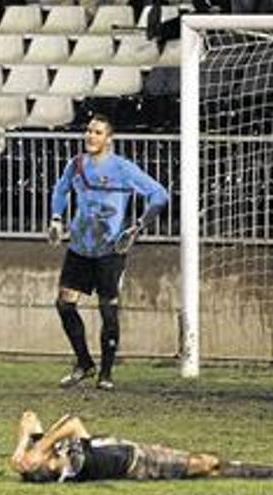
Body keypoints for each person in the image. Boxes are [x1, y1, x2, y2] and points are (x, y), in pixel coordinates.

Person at [47, 114, 169, 391]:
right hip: (79, 246)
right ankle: (84, 363)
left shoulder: (123, 169)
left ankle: (106, 373)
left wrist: (137, 227)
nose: (91, 136)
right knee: (64, 305)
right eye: (89, 131)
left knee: (108, 310)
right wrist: (56, 218)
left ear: (109, 139)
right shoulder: (76, 165)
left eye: (98, 132)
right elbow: (61, 189)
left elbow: (160, 195)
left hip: (110, 248)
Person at [10, 410, 273, 483]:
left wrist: (23, 448)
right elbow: (72, 421)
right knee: (208, 464)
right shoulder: (71, 465)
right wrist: (42, 445)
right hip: (141, 463)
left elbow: (29, 417)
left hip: (136, 449)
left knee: (207, 463)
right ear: (45, 465)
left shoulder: (49, 455)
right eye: (36, 457)